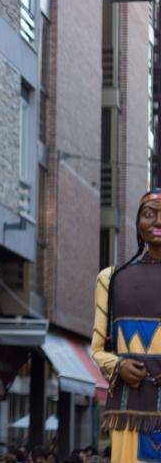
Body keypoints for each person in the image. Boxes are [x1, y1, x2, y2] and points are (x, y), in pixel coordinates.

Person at [91, 188, 161, 462]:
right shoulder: (110, 279)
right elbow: (97, 349)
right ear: (137, 222)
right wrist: (118, 365)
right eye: (149, 214)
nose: (157, 222)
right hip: (127, 408)